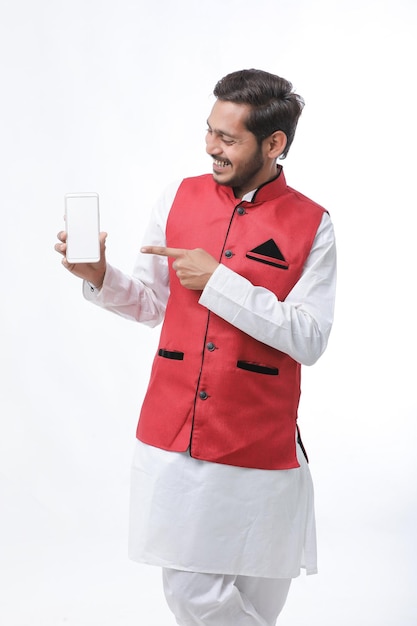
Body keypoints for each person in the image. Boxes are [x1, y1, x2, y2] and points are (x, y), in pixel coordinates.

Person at [55, 69, 336, 625]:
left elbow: (310, 338)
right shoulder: (178, 197)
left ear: (274, 143)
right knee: (193, 594)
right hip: (177, 435)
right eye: (210, 131)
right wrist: (99, 275)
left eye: (228, 138)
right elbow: (152, 304)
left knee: (258, 605)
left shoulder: (313, 224)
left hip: (263, 448)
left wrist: (221, 282)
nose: (211, 146)